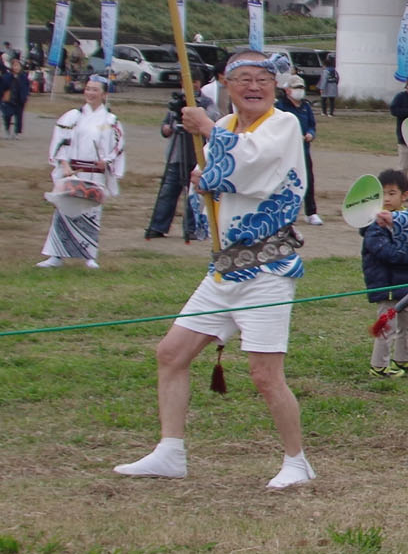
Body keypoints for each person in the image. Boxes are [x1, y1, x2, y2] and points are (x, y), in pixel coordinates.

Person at [114, 50, 315, 490]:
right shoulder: (223, 127)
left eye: (263, 78)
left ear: (276, 86)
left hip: (267, 269)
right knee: (171, 353)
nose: (254, 86)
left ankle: (297, 461)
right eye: (243, 78)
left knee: (265, 374)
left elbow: (255, 167)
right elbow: (219, 178)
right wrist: (202, 177)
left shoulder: (284, 124)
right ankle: (170, 451)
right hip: (224, 271)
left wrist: (207, 132)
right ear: (226, 84)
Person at [41, 76, 126, 268]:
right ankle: (56, 255)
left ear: (103, 94)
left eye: (95, 90)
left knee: (91, 212)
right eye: (88, 89)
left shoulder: (109, 120)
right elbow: (61, 141)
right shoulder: (73, 116)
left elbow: (117, 146)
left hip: (95, 173)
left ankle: (90, 255)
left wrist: (107, 161)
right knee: (65, 210)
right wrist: (64, 165)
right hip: (73, 171)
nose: (90, 93)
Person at [363, 168, 408, 377]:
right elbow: (389, 254)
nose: (386, 199)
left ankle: (403, 359)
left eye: (392, 193)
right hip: (387, 286)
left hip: (405, 285)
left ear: (404, 196)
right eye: (382, 194)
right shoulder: (375, 227)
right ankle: (379, 365)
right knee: (387, 326)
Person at [143, 91, 207, 241]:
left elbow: (211, 123)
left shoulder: (205, 103)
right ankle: (158, 226)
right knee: (168, 192)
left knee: (193, 194)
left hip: (195, 155)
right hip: (176, 155)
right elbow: (166, 124)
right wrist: (166, 128)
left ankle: (191, 228)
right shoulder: (177, 102)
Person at [280, 71, 322, 224]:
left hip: (304, 150)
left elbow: (312, 125)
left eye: (301, 87)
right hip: (287, 151)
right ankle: (287, 212)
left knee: (308, 180)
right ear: (288, 90)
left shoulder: (306, 106)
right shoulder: (281, 106)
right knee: (286, 181)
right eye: (296, 87)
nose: (300, 90)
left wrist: (311, 133)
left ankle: (311, 212)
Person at [3, 55, 32, 137]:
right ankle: (7, 130)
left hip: (20, 99)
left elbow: (26, 87)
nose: (16, 68)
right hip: (9, 99)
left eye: (18, 66)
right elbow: (3, 86)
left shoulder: (23, 77)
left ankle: (17, 132)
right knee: (7, 115)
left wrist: (25, 96)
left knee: (19, 116)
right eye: (14, 66)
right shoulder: (7, 76)